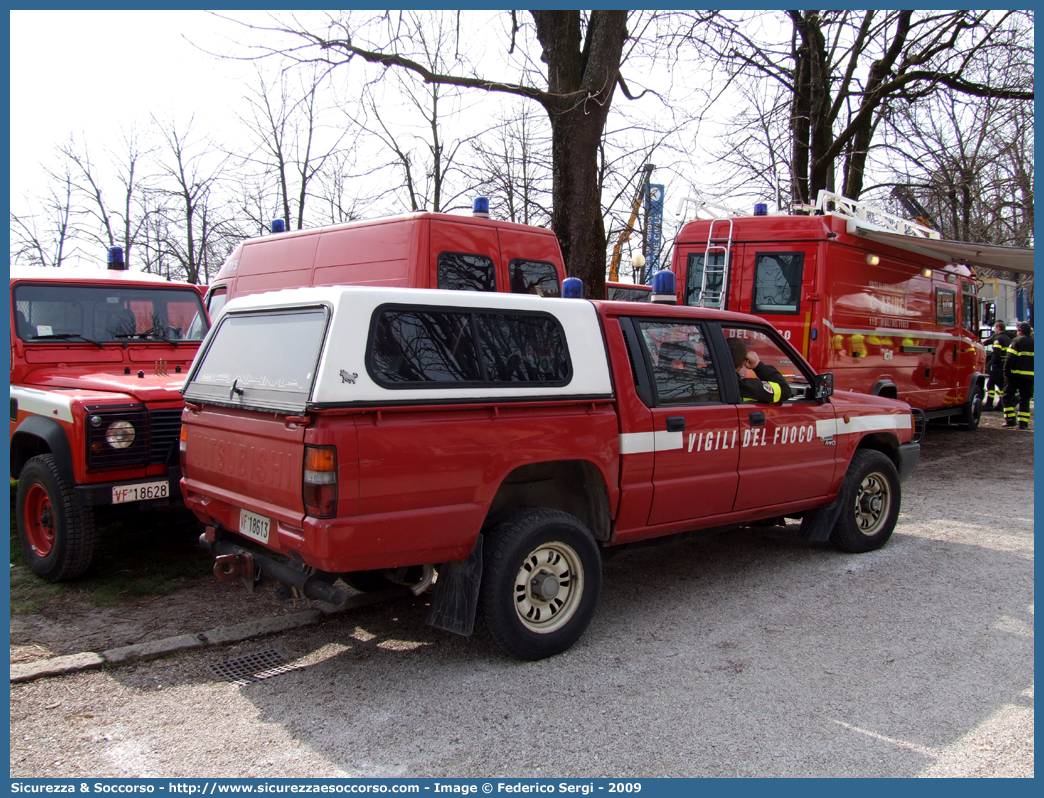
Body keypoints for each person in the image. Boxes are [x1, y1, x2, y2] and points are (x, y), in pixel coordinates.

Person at [727, 338, 792, 403]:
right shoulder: (747, 388)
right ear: (743, 363)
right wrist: (759, 366)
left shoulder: (718, 384)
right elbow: (784, 390)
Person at [1002, 321, 1033, 429]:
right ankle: (1023, 423)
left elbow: (1010, 358)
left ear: (1020, 331)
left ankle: (1010, 419)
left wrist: (1006, 372)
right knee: (1025, 399)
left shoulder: (1016, 341)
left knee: (1006, 396)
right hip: (1030, 377)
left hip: (1016, 375)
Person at [982, 321, 1011, 410]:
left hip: (998, 365)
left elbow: (996, 354)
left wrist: (993, 363)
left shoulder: (998, 339)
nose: (994, 329)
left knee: (990, 384)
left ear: (998, 328)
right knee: (1001, 385)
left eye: (995, 327)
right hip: (1005, 365)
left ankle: (989, 403)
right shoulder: (1007, 339)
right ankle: (1001, 404)